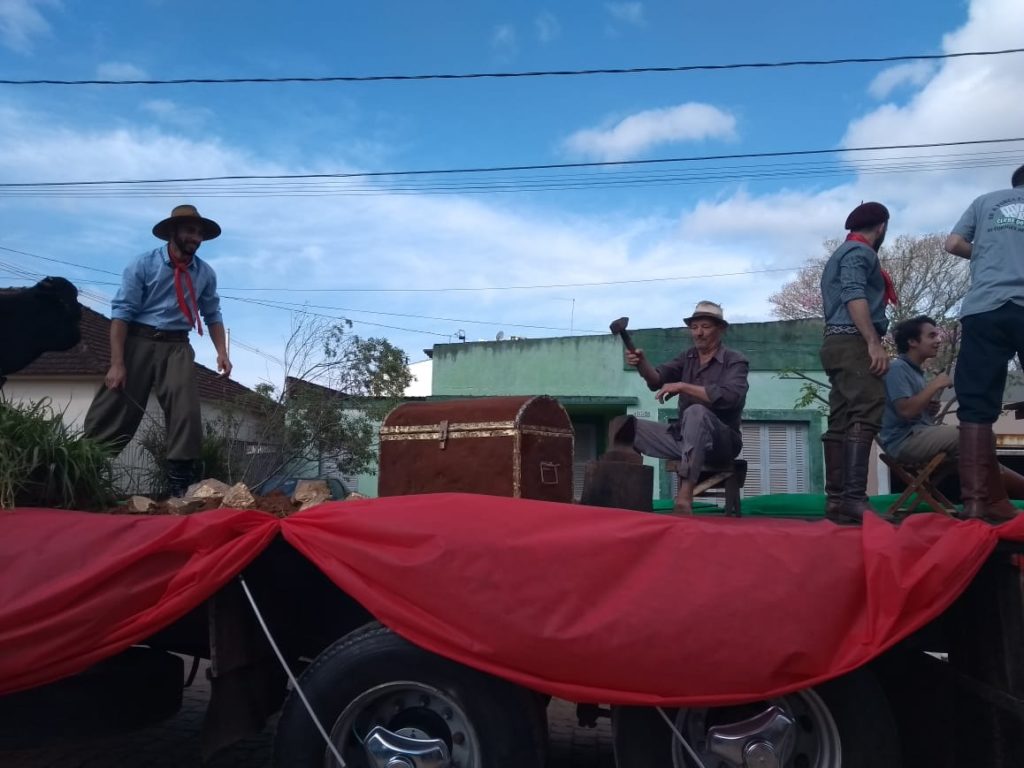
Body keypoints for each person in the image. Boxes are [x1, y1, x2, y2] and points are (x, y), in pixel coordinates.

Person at [84, 204, 232, 497]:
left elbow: (212, 314)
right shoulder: (143, 265)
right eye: (190, 231)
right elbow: (121, 314)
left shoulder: (205, 273)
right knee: (116, 404)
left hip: (177, 345)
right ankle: (84, 469)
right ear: (173, 232)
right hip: (138, 340)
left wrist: (222, 352)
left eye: (199, 234)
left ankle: (179, 486)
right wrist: (117, 363)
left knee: (185, 409)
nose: (196, 238)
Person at [943, 164, 1024, 523]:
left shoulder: (985, 201)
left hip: (984, 307)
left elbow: (953, 244)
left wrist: (988, 254)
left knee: (976, 406)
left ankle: (975, 504)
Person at [879, 315, 1024, 503]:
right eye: (931, 336)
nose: (938, 340)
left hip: (918, 433)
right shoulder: (897, 368)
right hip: (904, 441)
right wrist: (934, 385)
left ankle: (1004, 494)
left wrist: (927, 409)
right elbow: (906, 411)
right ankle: (990, 500)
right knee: (976, 436)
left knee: (980, 444)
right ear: (912, 342)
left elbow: (911, 410)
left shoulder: (915, 372)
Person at [622, 301, 749, 515]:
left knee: (696, 412)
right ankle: (629, 497)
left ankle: (684, 496)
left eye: (705, 327)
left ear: (720, 329)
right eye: (694, 327)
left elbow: (730, 397)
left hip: (722, 443)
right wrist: (641, 363)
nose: (698, 333)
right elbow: (656, 380)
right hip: (684, 439)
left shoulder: (735, 361)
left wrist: (682, 386)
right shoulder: (688, 357)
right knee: (627, 428)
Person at [819, 201, 896, 523]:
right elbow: (854, 294)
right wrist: (872, 342)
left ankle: (837, 501)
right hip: (852, 341)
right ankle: (853, 499)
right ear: (882, 227)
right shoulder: (859, 253)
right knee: (866, 409)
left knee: (841, 416)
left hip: (835, 342)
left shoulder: (842, 253)